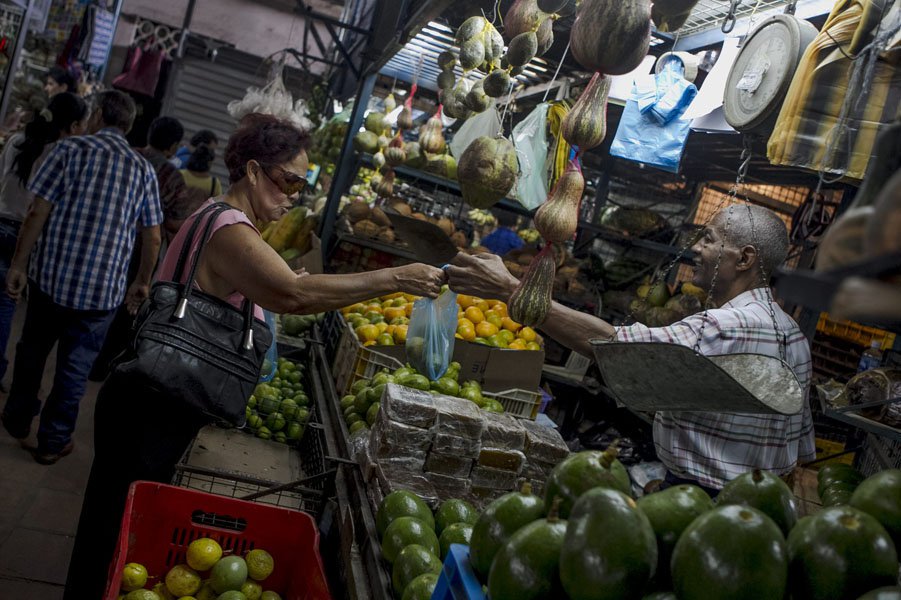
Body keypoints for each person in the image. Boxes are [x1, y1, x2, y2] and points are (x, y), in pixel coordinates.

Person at [63, 113, 445, 600]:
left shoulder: (223, 218)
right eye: (287, 179)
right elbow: (291, 295)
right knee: (111, 535)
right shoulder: (227, 226)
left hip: (159, 395)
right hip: (151, 404)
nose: (292, 195)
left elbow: (289, 286)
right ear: (251, 170)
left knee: (115, 526)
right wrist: (394, 278)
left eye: (301, 186)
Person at [448, 205, 815, 494]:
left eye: (709, 239)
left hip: (700, 501)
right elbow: (797, 455)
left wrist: (511, 290)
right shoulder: (795, 337)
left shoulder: (722, 326)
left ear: (745, 259)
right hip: (754, 511)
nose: (696, 250)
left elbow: (613, 346)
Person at [0, 90, 163, 465]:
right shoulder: (142, 170)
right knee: (75, 368)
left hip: (49, 280)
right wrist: (142, 281)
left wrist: (18, 265)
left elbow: (36, 213)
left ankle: (17, 417)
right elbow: (152, 235)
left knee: (32, 351)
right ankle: (52, 442)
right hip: (101, 293)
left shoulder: (67, 151)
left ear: (100, 115)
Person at [89, 116, 191, 382]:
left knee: (98, 299)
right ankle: (102, 367)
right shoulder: (172, 177)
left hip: (108, 239)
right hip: (141, 249)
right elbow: (173, 225)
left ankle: (86, 356)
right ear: (173, 146)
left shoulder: (128, 157)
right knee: (128, 309)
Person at [0, 93, 88, 390]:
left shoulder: (16, 140)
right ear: (74, 124)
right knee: (5, 305)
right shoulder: (61, 153)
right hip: (23, 234)